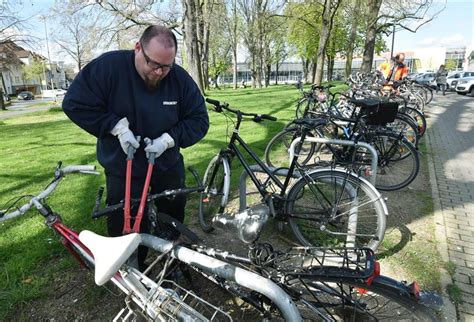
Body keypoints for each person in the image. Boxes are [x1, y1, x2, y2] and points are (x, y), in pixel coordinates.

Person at [62, 25, 209, 268]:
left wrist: (168, 140)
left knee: (172, 217)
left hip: (166, 163)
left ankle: (169, 264)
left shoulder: (178, 78)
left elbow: (199, 120)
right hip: (123, 164)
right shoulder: (108, 68)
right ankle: (131, 270)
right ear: (138, 48)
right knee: (124, 222)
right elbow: (75, 103)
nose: (160, 72)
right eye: (154, 64)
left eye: (167, 66)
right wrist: (115, 127)